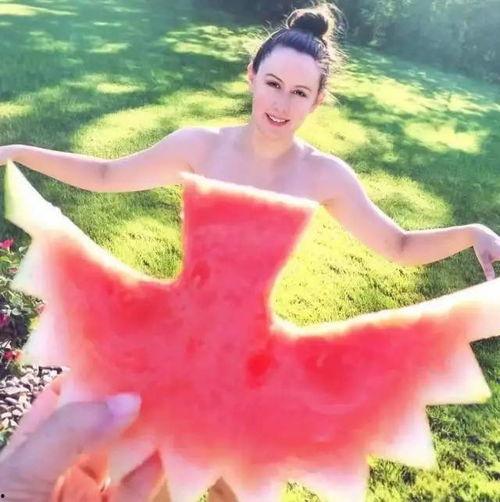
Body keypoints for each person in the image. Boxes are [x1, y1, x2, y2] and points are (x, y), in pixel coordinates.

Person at [0, 2, 499, 501]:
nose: (282, 104)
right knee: (145, 476)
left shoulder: (324, 175)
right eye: (273, 84)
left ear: (317, 101)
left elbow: (399, 244)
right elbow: (107, 174)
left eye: (300, 93)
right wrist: (19, 153)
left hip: (253, 363)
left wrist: (473, 232)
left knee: (236, 485)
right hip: (167, 341)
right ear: (252, 76)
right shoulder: (200, 146)